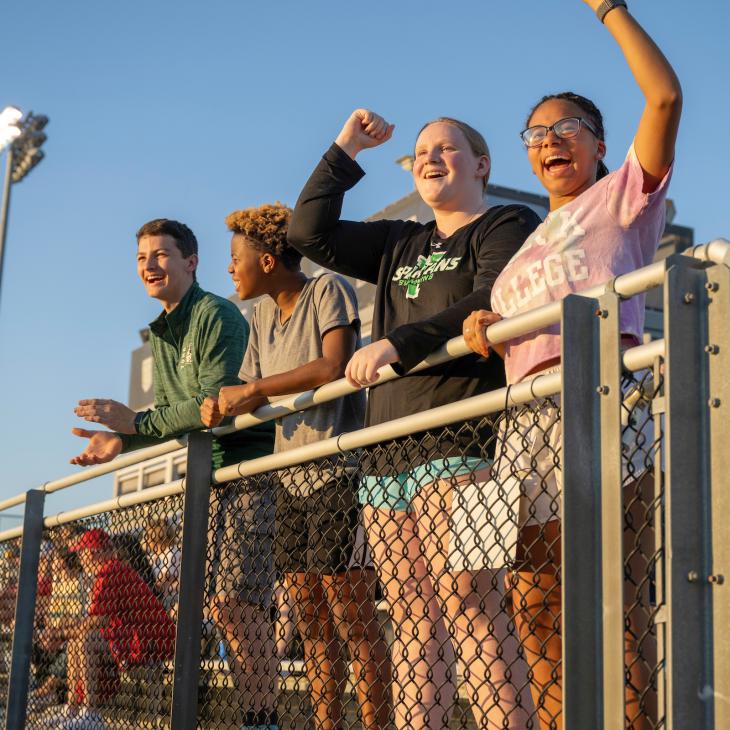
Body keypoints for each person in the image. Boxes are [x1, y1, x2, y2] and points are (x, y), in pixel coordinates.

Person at [461, 3, 681, 728]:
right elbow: (500, 327)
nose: (550, 140)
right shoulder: (519, 251)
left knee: (613, 592)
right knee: (533, 597)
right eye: (537, 133)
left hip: (600, 402)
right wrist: (485, 319)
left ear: (598, 147)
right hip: (525, 423)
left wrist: (609, 10)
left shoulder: (622, 199)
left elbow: (665, 97)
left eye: (567, 129)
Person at [287, 111, 541, 729]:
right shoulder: (400, 241)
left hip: (465, 441)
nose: (430, 157)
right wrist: (348, 146)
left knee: (470, 606)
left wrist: (399, 342)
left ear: (482, 165)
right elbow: (306, 232)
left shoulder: (506, 223)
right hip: (387, 453)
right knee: (409, 616)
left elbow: (493, 296)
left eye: (447, 148)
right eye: (422, 150)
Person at [69, 218, 278, 729]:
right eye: (142, 258)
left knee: (238, 605)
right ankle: (255, 716)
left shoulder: (216, 315)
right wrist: (124, 439)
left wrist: (136, 421)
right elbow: (171, 415)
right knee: (224, 607)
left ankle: (264, 720)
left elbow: (211, 406)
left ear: (191, 262)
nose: (149, 266)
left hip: (250, 470)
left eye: (161, 255)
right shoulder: (162, 331)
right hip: (210, 477)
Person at [200, 203, 391, 730]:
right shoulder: (258, 315)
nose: (231, 269)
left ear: (265, 260)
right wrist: (221, 403)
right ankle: (326, 723)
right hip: (290, 479)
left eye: (236, 258)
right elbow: (244, 392)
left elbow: (332, 365)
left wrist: (254, 390)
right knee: (308, 617)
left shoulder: (327, 289)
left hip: (338, 469)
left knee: (351, 615)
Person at [58, 528, 175, 728]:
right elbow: (95, 621)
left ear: (95, 552)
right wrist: (71, 631)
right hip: (140, 638)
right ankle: (73, 709)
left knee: (86, 640)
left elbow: (98, 620)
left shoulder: (110, 569)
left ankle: (91, 713)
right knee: (76, 640)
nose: (80, 558)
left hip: (153, 640)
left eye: (83, 552)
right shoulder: (109, 569)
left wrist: (62, 631)